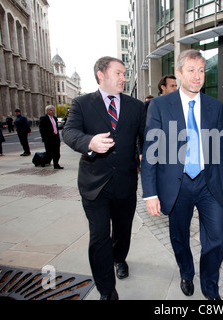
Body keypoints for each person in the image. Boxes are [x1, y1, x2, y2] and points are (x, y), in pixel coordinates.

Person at [141, 49, 223, 300]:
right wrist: (150, 193)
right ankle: (187, 272)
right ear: (179, 73)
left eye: (201, 70)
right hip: (175, 185)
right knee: (179, 236)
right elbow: (150, 151)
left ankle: (210, 286)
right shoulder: (159, 105)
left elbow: (218, 148)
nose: (197, 76)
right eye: (191, 70)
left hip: (207, 182)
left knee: (218, 238)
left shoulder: (214, 106)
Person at [63, 56, 146, 300]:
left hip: (125, 182)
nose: (124, 78)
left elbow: (145, 137)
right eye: (118, 73)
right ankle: (106, 289)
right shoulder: (81, 103)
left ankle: (119, 258)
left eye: (124, 73)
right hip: (94, 184)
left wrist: (143, 154)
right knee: (99, 237)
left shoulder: (136, 106)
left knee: (122, 230)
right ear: (101, 74)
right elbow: (69, 132)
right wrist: (88, 142)